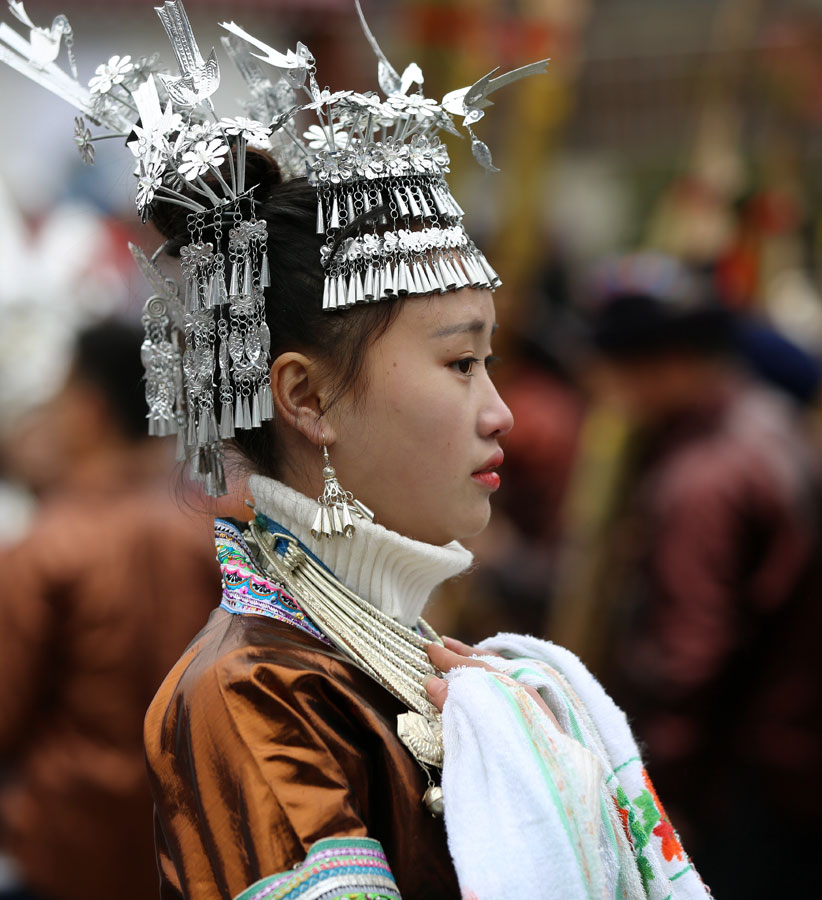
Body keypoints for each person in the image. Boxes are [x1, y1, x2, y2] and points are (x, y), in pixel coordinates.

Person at [0, 5, 712, 899]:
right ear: (306, 397)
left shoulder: (422, 665)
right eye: (459, 363)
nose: (501, 415)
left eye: (490, 362)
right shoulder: (256, 697)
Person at [554, 252, 822, 899]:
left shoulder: (703, 480)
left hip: (742, 787)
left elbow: (687, 658)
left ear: (664, 363)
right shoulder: (767, 423)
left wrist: (654, 801)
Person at [0, 321, 220, 900]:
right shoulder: (211, 537)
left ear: (89, 409)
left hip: (64, 854)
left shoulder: (45, 547)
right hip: (182, 851)